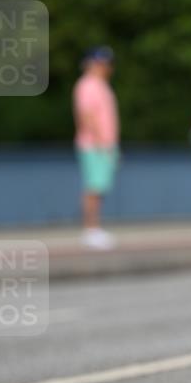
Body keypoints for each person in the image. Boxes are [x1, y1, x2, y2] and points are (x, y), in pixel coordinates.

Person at [73, 46, 120, 249]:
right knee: (93, 187)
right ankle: (90, 229)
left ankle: (94, 228)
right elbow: (87, 116)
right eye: (102, 63)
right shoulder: (87, 85)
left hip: (103, 144)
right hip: (94, 145)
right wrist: (102, 142)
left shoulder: (101, 85)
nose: (106, 67)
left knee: (99, 187)